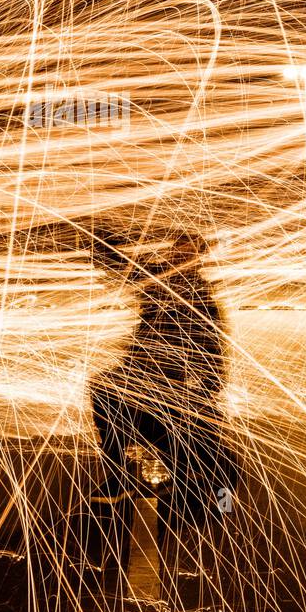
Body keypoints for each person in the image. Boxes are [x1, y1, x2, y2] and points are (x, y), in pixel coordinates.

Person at [87, 228, 238, 560]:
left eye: (187, 252)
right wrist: (101, 243)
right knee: (103, 389)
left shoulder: (201, 300)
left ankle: (195, 495)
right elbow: (123, 268)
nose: (178, 256)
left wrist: (197, 394)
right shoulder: (159, 280)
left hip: (178, 399)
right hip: (142, 392)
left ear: (198, 258)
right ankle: (120, 473)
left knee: (217, 461)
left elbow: (215, 364)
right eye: (177, 249)